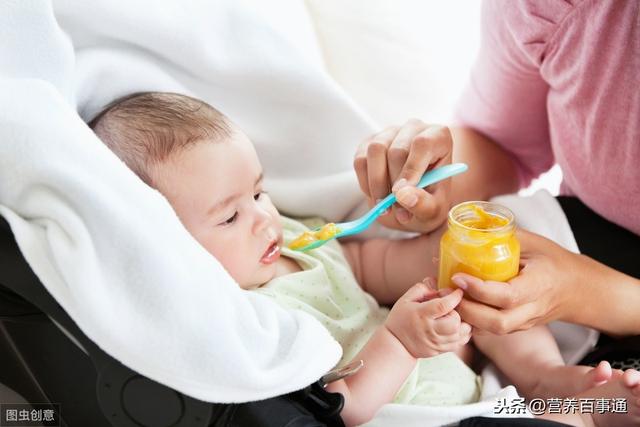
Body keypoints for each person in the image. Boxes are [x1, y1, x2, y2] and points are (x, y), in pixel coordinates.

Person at [90, 92, 639, 427]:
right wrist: (400, 340)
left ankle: (549, 378)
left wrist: (444, 268)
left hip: (478, 385)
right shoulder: (246, 316)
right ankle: (590, 411)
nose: (263, 219)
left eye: (258, 193)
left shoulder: (298, 244)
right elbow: (341, 408)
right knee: (539, 423)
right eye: (229, 217)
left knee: (483, 303)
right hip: (421, 417)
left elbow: (372, 266)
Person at [353, 0, 640, 340]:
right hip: (585, 245)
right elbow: (502, 148)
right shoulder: (549, 8)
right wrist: (426, 180)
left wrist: (590, 293)